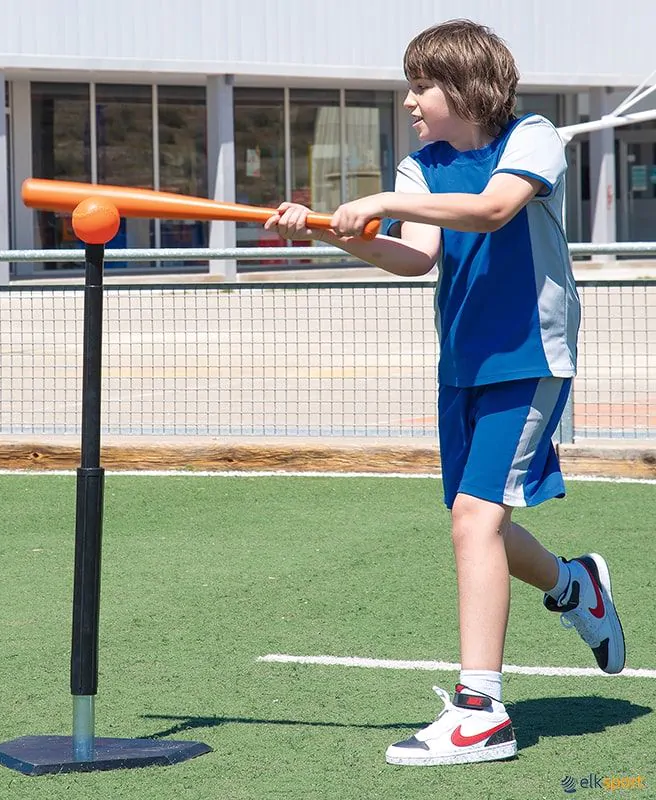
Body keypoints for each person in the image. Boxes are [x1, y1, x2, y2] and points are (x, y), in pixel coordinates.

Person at [265, 18, 625, 767]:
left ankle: (480, 712)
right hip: (460, 363)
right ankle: (574, 585)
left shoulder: (531, 137)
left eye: (421, 86)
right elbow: (414, 257)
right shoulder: (419, 166)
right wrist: (331, 231)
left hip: (529, 356)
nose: (409, 101)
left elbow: (492, 209)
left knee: (473, 521)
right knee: (477, 522)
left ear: (465, 88)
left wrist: (381, 203)